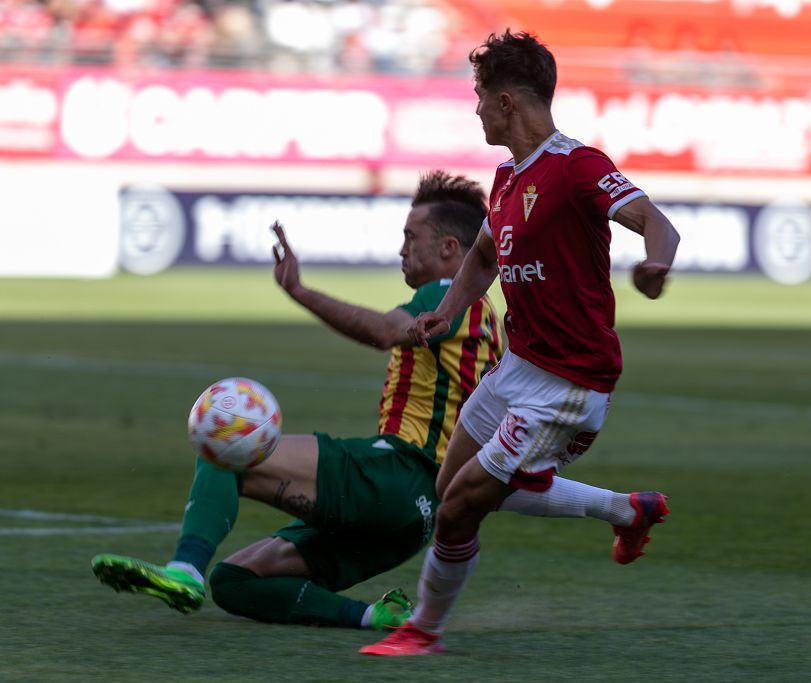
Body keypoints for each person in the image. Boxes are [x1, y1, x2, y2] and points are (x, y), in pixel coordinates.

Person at [92, 170, 660, 631]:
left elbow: (388, 331)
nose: (401, 249)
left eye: (411, 238)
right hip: (414, 520)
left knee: (225, 443)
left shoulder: (445, 298)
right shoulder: (488, 319)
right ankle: (377, 616)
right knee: (238, 583)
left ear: (449, 247)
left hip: (398, 472)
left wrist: (299, 291)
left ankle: (185, 569)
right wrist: (613, 505)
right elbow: (500, 479)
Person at [362, 31, 680, 656]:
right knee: (454, 491)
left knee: (458, 511)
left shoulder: (578, 166)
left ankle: (422, 630)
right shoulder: (507, 176)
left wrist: (656, 265)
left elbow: (657, 223)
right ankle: (627, 511)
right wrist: (448, 312)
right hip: (516, 369)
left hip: (567, 384)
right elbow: (484, 254)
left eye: (479, 97)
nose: (475, 109)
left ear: (506, 101)